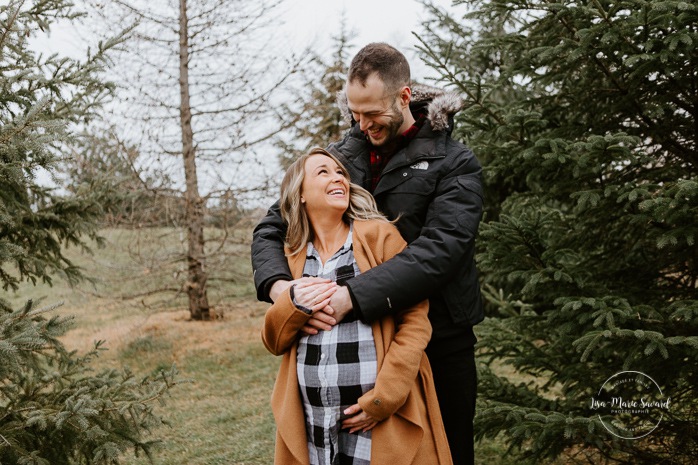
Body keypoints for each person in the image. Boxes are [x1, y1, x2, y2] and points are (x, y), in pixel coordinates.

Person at [253, 43, 484, 465]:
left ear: (404, 97)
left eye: (372, 114)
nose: (363, 124)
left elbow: (441, 251)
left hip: (440, 337)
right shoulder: (341, 157)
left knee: (446, 451)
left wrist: (351, 297)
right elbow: (272, 227)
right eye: (355, 113)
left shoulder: (455, 162)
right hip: (359, 345)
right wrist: (282, 289)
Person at [261, 148, 452, 465]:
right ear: (301, 194)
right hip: (315, 422)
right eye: (323, 172)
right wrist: (292, 305)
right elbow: (274, 341)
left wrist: (383, 398)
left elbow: (416, 321)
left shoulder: (379, 237)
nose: (337, 177)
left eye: (340, 173)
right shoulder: (292, 256)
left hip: (378, 420)